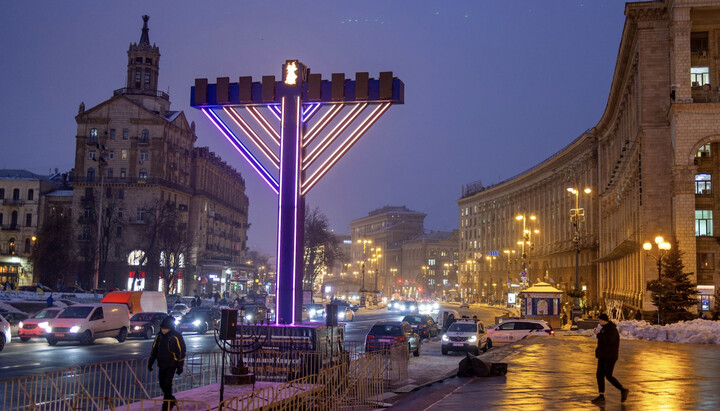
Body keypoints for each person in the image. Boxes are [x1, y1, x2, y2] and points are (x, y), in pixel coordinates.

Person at [148, 316, 186, 410]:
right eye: (162, 328)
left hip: (172, 364)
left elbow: (181, 351)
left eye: (166, 329)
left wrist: (180, 366)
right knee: (162, 383)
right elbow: (155, 349)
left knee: (167, 384)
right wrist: (150, 362)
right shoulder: (159, 336)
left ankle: (166, 405)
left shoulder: (176, 336)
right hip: (162, 364)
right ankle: (171, 399)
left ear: (170, 328)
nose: (164, 330)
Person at [591, 313, 629, 405]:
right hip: (603, 356)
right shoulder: (604, 328)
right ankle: (601, 396)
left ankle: (623, 390)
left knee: (608, 375)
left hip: (610, 357)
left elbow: (608, 341)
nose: (599, 322)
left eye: (600, 320)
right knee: (599, 375)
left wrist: (598, 334)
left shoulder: (612, 329)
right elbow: (602, 342)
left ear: (604, 320)